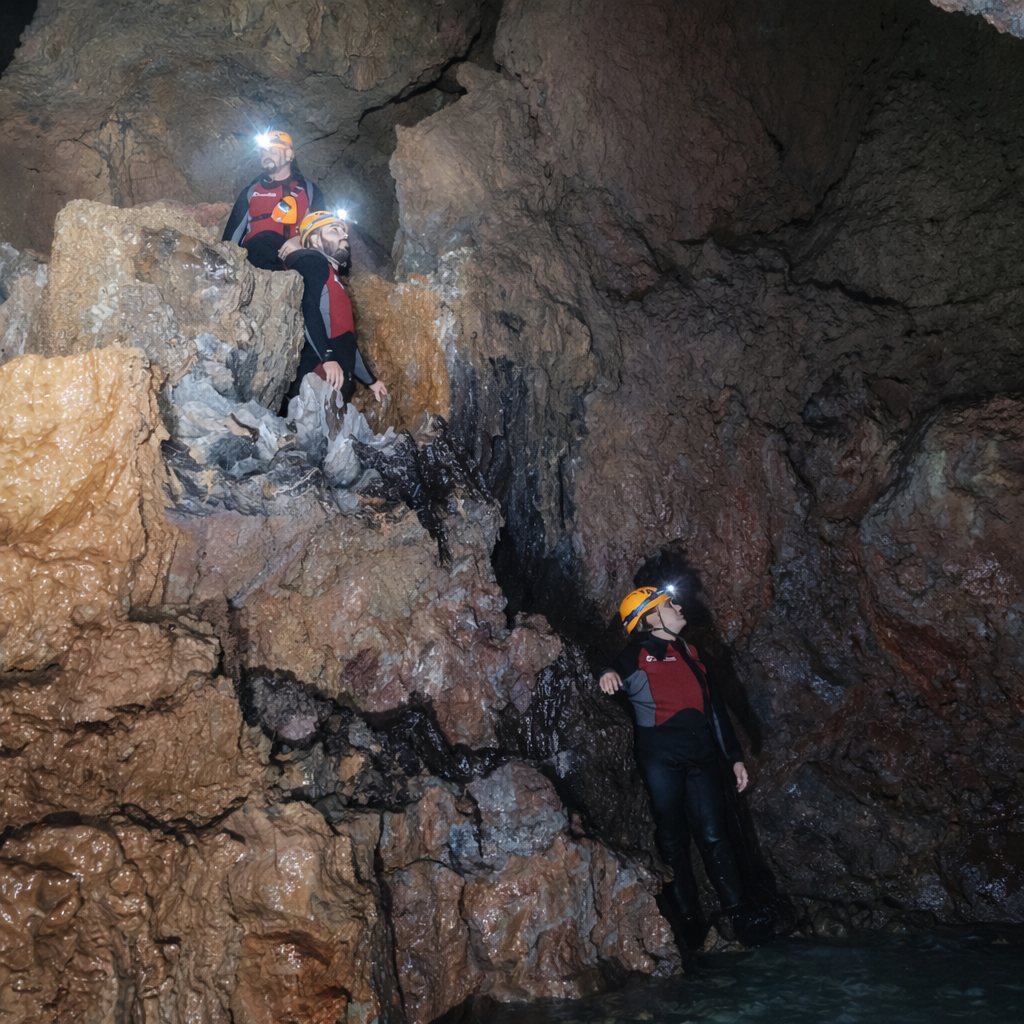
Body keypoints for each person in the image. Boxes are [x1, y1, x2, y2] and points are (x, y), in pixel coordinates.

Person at [599, 584, 771, 949]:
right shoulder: (638, 652)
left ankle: (739, 913)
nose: (678, 607)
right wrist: (608, 674)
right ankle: (688, 920)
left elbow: (716, 711)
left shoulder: (693, 653)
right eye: (669, 604)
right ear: (649, 618)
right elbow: (615, 669)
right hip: (661, 757)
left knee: (714, 833)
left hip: (702, 755)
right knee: (672, 836)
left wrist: (735, 757)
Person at [279, 211, 387, 404]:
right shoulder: (311, 261)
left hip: (333, 379)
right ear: (315, 239)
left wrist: (371, 381)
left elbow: (345, 339)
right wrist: (327, 357)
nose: (344, 235)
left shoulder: (332, 275)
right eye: (334, 230)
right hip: (317, 374)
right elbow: (308, 307)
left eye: (344, 232)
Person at [223, 130, 326, 270]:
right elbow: (231, 237)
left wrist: (302, 240)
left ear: (289, 155)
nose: (266, 155)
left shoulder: (310, 191)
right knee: (264, 242)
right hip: (254, 256)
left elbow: (323, 232)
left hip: (294, 259)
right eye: (263, 152)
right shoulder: (251, 192)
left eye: (273, 151)